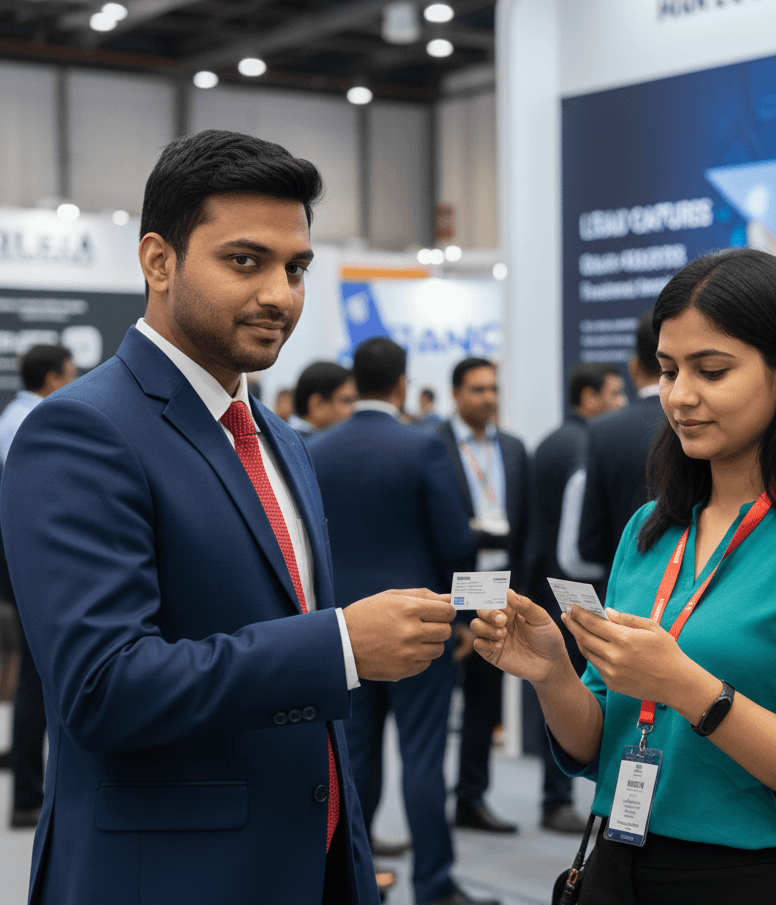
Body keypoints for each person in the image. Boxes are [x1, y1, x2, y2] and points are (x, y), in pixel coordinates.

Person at [0, 129, 457, 905]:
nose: (280, 294)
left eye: (296, 267)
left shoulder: (281, 440)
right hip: (167, 877)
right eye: (245, 261)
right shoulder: (81, 429)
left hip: (309, 866)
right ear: (158, 260)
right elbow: (103, 686)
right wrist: (343, 644)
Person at [472, 248, 776, 903]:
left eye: (712, 371)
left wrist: (688, 686)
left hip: (763, 878)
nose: (680, 397)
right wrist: (553, 673)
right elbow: (601, 743)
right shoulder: (652, 528)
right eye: (668, 370)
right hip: (618, 862)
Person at [308, 337, 487, 905]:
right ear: (403, 383)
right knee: (424, 757)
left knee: (354, 757)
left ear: (354, 382)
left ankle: (355, 882)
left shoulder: (314, 448)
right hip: (421, 625)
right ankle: (433, 885)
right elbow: (457, 541)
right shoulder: (424, 447)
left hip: (345, 629)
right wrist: (462, 619)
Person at [525, 361, 623, 833]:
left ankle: (553, 796)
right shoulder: (586, 446)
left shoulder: (546, 443)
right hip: (577, 595)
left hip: (545, 586)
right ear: (587, 397)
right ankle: (556, 799)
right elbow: (577, 545)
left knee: (554, 693)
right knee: (573, 692)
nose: (619, 403)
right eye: (612, 392)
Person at [437, 358, 528, 834]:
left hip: (498, 590)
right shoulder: (433, 446)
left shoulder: (513, 449)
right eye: (478, 390)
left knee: (485, 701)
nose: (489, 398)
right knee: (433, 703)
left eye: (494, 389)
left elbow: (527, 526)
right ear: (456, 394)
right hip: (449, 591)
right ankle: (427, 805)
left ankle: (471, 799)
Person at [0, 344, 77, 829]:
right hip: (32, 561)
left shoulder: (20, 417)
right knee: (35, 676)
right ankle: (28, 793)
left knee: (38, 672)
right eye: (69, 375)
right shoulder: (28, 424)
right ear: (50, 378)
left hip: (23, 560)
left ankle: (31, 787)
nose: (73, 383)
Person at [574, 311, 665, 576]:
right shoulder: (706, 424)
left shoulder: (602, 431)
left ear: (634, 366)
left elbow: (589, 543)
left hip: (623, 588)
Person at [290, 360, 357, 433]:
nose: (355, 408)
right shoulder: (299, 442)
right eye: (347, 401)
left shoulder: (290, 438)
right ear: (318, 405)